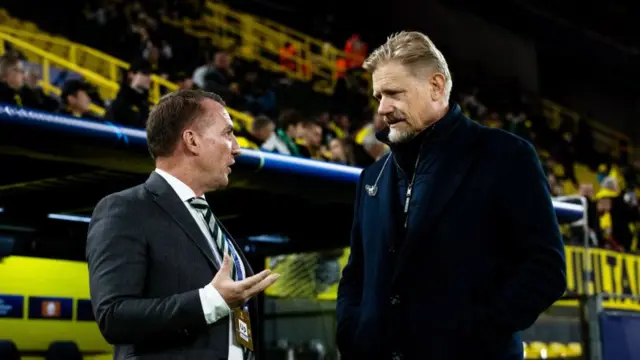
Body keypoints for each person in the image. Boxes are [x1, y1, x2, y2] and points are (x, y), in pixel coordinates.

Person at [336, 31, 566, 360]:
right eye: (378, 97)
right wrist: (352, 333)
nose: (383, 109)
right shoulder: (371, 177)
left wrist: (474, 335)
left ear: (436, 86)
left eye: (394, 94)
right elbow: (355, 274)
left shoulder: (505, 156)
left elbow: (545, 269)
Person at [87, 90, 280, 360]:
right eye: (227, 133)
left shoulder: (207, 219)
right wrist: (211, 301)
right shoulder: (125, 209)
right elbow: (114, 317)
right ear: (192, 140)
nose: (237, 147)